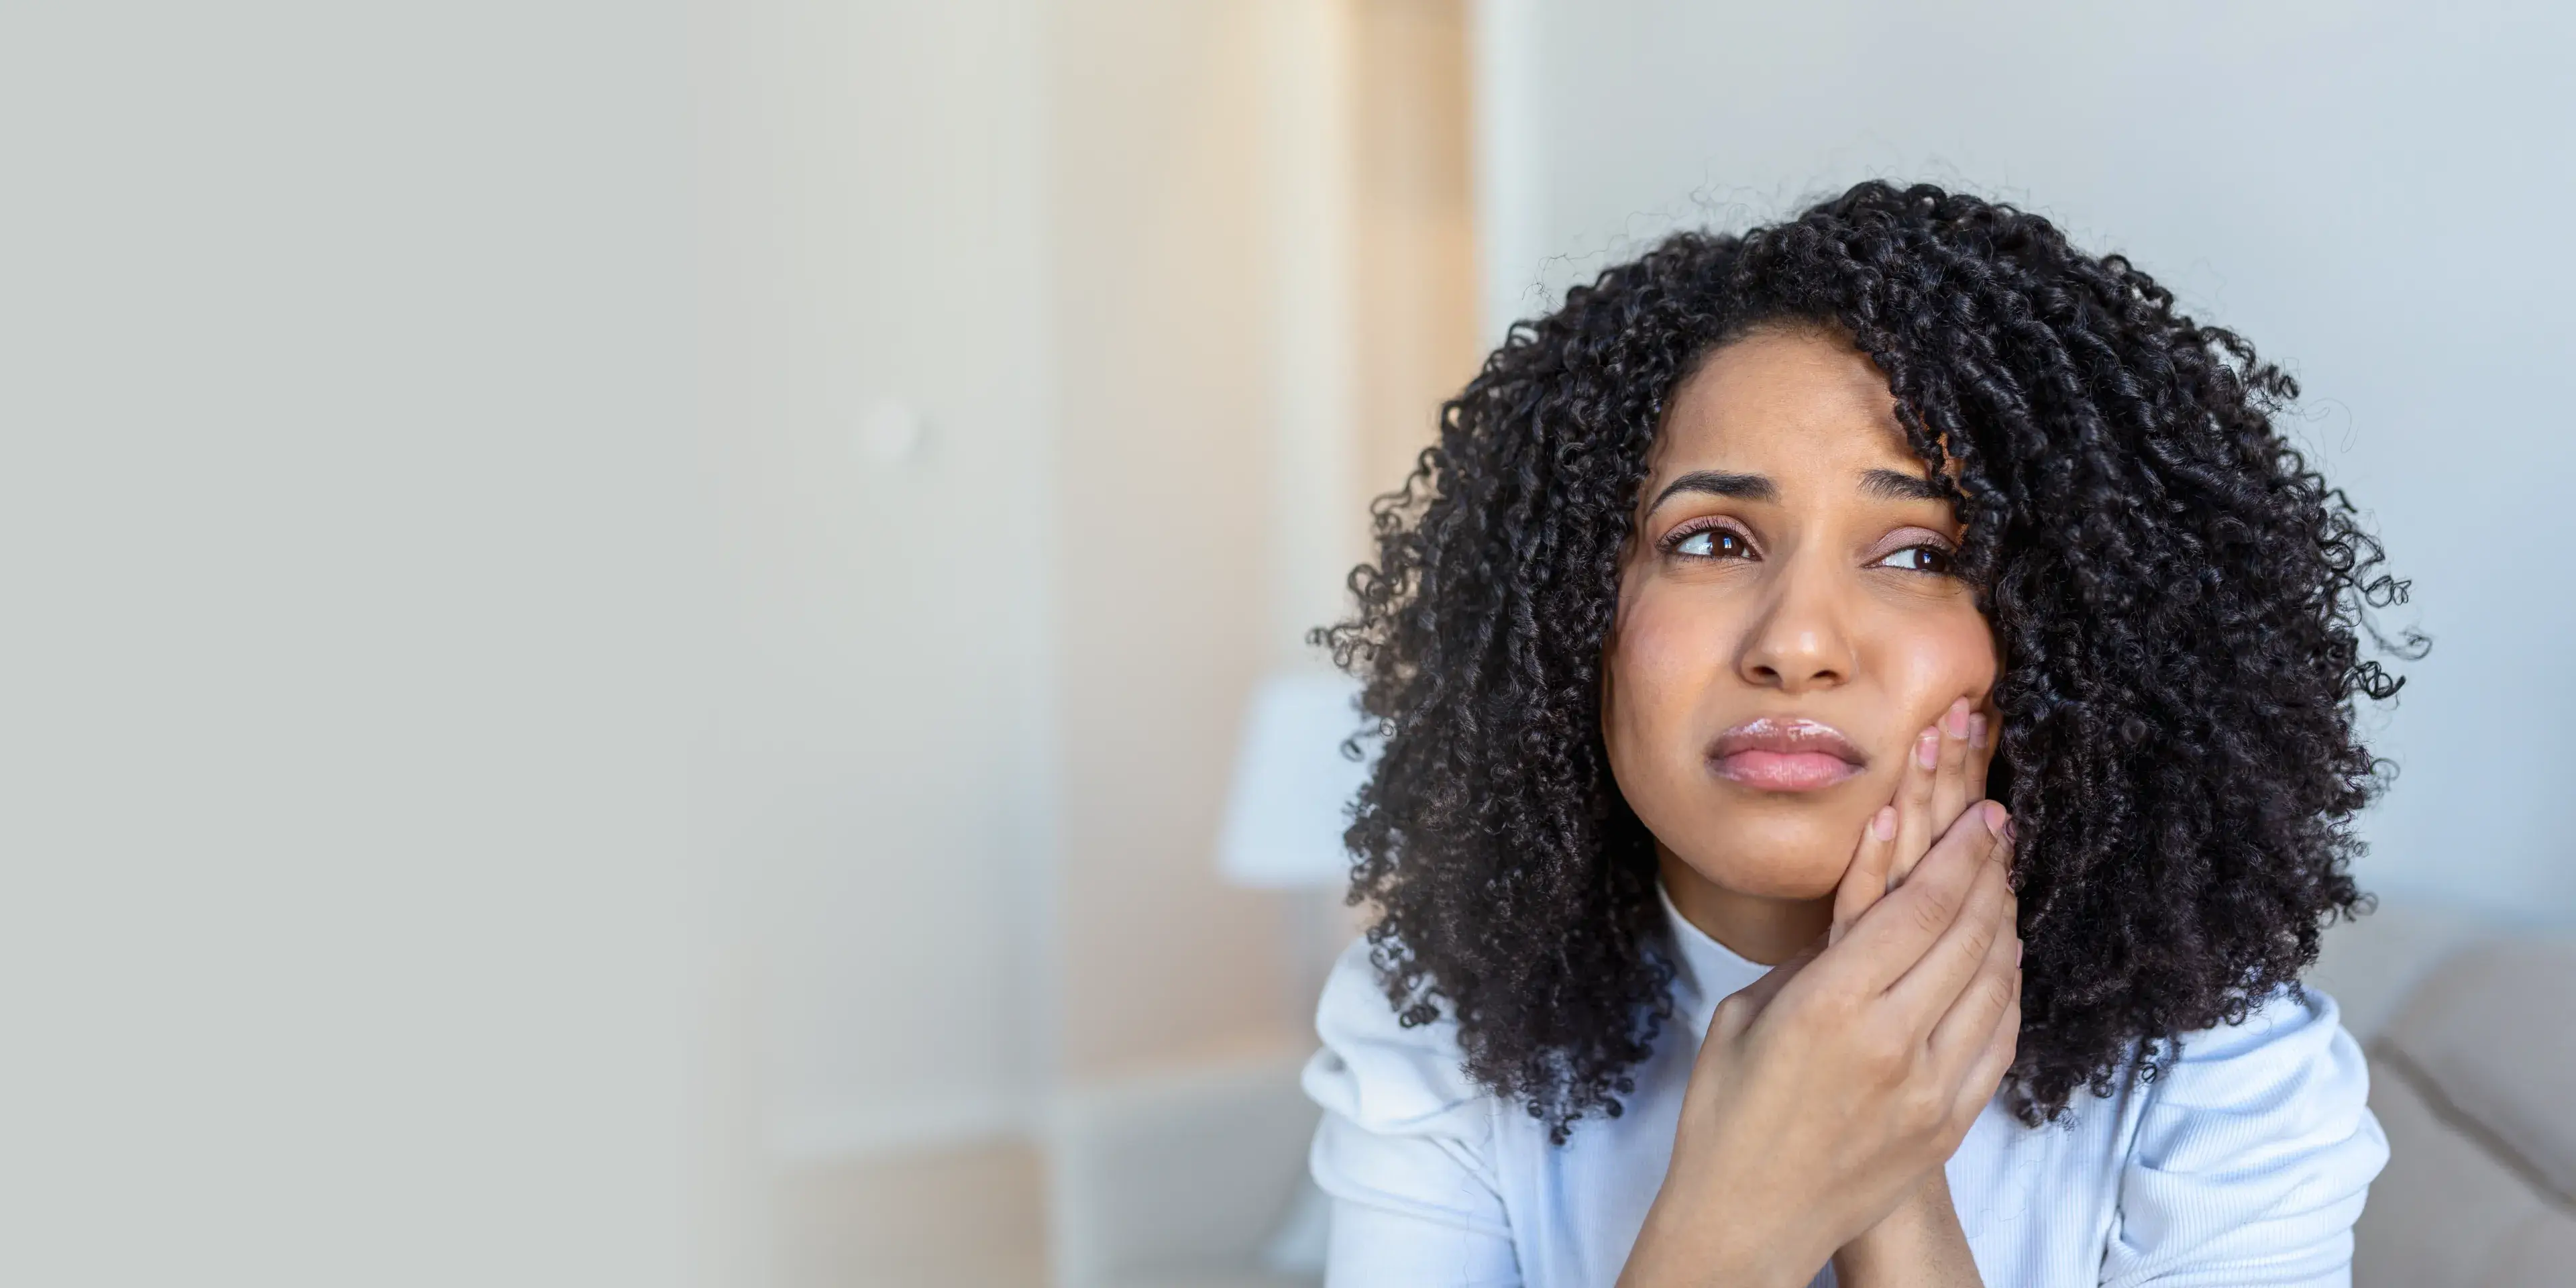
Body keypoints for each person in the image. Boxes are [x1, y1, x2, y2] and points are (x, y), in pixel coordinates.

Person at [1303, 181, 2413, 1287]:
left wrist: (1883, 1159)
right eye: (1713, 540)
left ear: (2072, 640)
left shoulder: (2228, 1083)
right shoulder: (1437, 1031)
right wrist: (1738, 1216)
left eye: (1923, 555)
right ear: (1574, 615)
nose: (1797, 642)